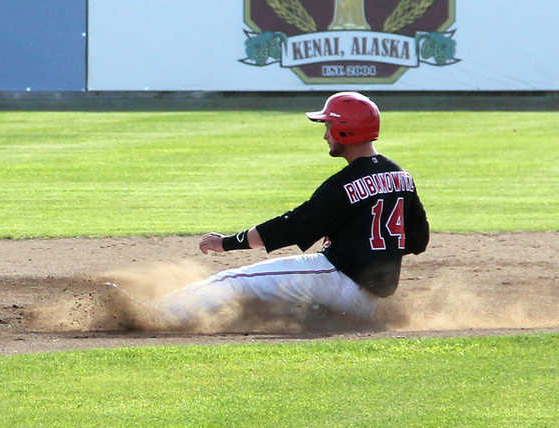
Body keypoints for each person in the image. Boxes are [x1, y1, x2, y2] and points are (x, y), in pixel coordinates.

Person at [161, 91, 429, 326]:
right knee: (278, 295)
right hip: (371, 300)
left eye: (329, 126)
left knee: (234, 280)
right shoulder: (401, 177)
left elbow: (292, 226)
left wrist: (228, 243)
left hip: (337, 279)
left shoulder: (344, 183)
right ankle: (321, 315)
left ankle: (156, 314)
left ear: (345, 131)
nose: (325, 135)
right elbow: (418, 240)